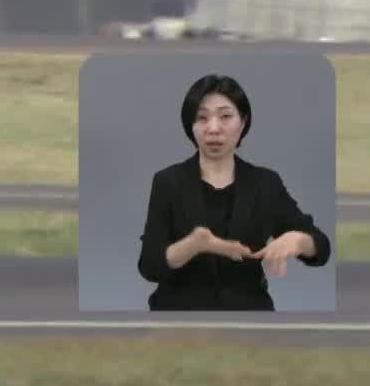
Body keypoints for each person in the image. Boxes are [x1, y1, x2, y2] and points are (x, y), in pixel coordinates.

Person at [136, 74, 332, 310]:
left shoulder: (265, 183)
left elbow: (321, 248)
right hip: (179, 317)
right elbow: (149, 266)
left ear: (243, 122)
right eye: (201, 118)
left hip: (249, 318)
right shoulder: (168, 182)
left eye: (226, 116)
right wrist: (196, 244)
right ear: (191, 126)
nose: (213, 128)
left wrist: (299, 240)